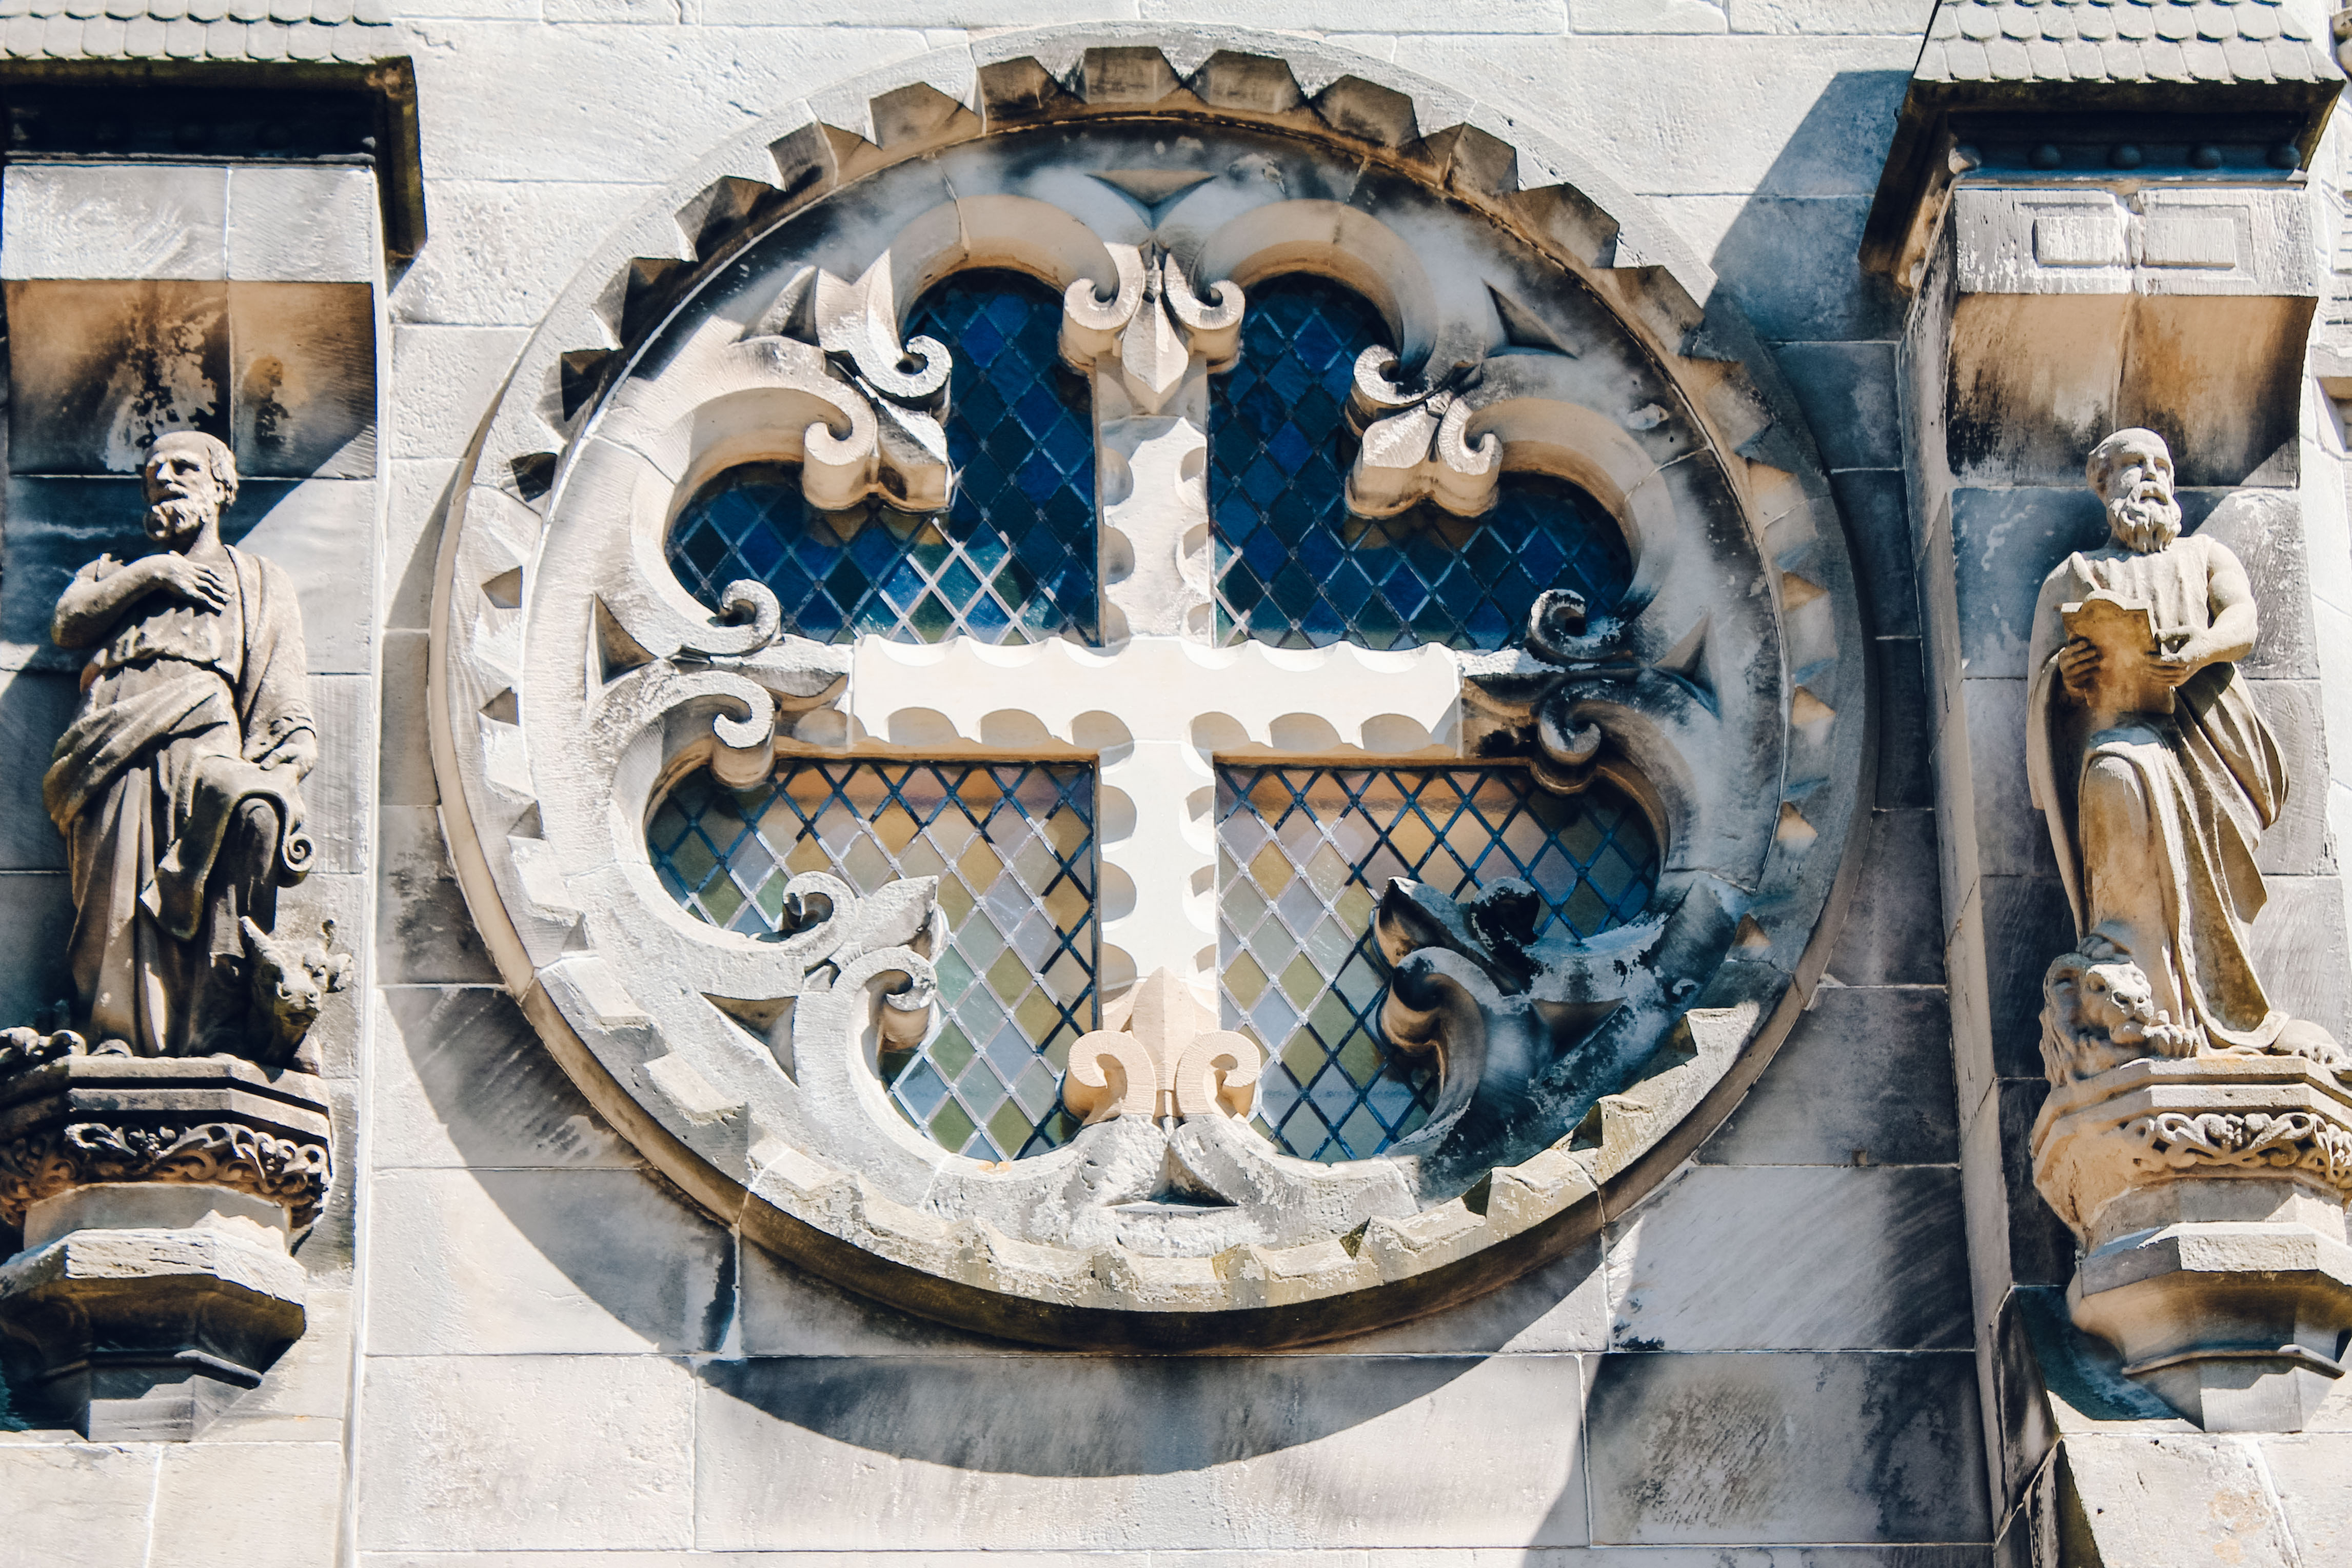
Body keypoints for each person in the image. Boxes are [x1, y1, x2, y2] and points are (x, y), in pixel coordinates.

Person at [2024, 426, 2324, 1056]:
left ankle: (2229, 1015)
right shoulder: (2072, 578)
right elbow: (2042, 689)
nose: (2155, 476)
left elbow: (2241, 619)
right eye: (2136, 464)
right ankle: (2145, 993)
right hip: (2118, 747)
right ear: (2102, 482)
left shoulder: (2205, 556)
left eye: (2162, 464)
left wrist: (2199, 652)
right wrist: (2067, 674)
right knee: (2119, 770)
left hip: (2205, 746)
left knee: (2204, 870)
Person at [44, 431, 317, 1058]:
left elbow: (283, 701)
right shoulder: (112, 570)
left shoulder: (258, 582)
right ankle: (112, 1034)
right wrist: (153, 574)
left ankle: (210, 1029)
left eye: (184, 468)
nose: (164, 477)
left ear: (223, 487)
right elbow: (67, 624)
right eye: (153, 471)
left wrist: (286, 767)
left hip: (203, 742)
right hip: (108, 752)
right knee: (111, 892)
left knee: (244, 820)